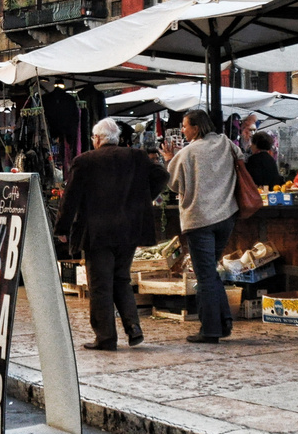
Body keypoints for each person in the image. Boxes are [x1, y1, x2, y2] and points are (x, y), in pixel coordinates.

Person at [55, 116, 170, 350]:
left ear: (97, 139)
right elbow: (162, 176)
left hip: (97, 232)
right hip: (128, 230)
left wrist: (62, 229)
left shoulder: (84, 161)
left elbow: (70, 198)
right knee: (121, 279)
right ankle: (133, 328)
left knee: (100, 284)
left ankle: (106, 337)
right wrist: (141, 199)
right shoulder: (136, 156)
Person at [161, 108, 239, 344]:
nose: (183, 130)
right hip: (226, 216)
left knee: (204, 275)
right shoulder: (226, 143)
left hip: (200, 220)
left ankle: (210, 329)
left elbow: (173, 183)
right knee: (210, 271)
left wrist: (168, 160)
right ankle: (224, 321)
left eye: (185, 126)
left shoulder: (188, 152)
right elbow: (241, 157)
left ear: (196, 127)